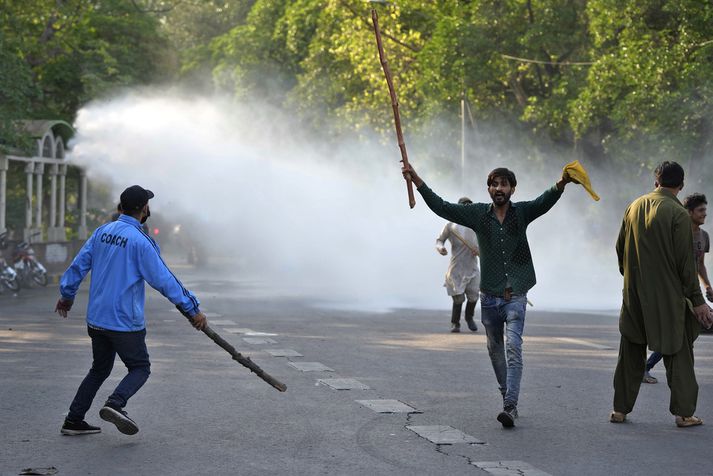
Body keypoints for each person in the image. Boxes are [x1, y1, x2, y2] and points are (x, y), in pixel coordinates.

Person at [402, 163, 575, 428]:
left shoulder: (523, 212)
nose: (499, 189)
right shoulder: (478, 215)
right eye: (494, 184)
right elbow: (442, 206)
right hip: (490, 296)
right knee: (495, 350)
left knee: (513, 348)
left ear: (512, 189)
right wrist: (417, 181)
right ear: (489, 189)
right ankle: (507, 395)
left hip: (516, 294)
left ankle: (510, 405)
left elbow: (544, 201)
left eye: (504, 184)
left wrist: (562, 181)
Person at [55, 185, 208, 436]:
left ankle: (73, 419)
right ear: (145, 209)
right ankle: (115, 403)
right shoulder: (141, 241)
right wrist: (192, 310)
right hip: (124, 321)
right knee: (140, 367)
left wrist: (67, 296)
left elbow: (78, 265)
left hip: (96, 319)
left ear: (120, 207)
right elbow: (165, 280)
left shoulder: (102, 232)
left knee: (99, 369)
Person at [611, 162, 713, 428]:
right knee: (679, 350)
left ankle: (620, 409)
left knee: (630, 349)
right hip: (669, 297)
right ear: (681, 186)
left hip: (634, 294)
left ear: (656, 182)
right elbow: (685, 265)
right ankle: (684, 413)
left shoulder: (633, 206)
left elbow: (620, 249)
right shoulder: (678, 213)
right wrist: (698, 301)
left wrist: (633, 279)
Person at [643, 193, 713, 384]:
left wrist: (707, 285)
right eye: (700, 211)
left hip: (692, 290)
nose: (704, 214)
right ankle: (648, 367)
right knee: (680, 332)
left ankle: (649, 367)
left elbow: (699, 264)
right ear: (688, 212)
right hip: (673, 289)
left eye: (705, 210)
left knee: (684, 333)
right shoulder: (676, 232)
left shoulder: (704, 236)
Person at [435, 198, 480, 333]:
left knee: (474, 295)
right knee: (458, 298)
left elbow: (487, 243)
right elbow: (439, 240)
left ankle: (469, 317)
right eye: (463, 207)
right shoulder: (451, 225)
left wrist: (479, 249)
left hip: (472, 267)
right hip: (457, 267)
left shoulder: (477, 224)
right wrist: (440, 248)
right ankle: (455, 323)